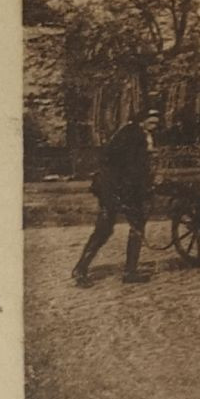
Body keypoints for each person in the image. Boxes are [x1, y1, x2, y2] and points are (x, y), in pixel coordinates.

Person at [73, 108, 160, 286]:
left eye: (156, 122)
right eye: (151, 122)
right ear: (141, 120)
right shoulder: (134, 136)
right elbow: (131, 167)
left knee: (106, 229)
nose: (154, 125)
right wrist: (144, 186)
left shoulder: (130, 132)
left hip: (112, 188)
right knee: (133, 226)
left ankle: (81, 269)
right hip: (118, 189)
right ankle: (129, 272)